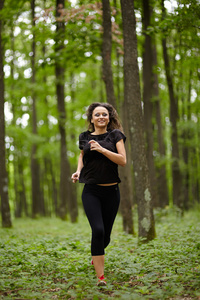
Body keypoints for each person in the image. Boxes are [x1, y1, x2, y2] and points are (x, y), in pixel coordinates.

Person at [71, 102, 126, 286]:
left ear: (109, 117)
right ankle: (100, 278)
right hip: (91, 191)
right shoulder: (84, 137)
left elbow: (123, 160)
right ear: (91, 118)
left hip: (112, 191)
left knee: (106, 236)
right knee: (98, 230)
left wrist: (102, 149)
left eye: (104, 114)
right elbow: (82, 156)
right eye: (97, 114)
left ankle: (96, 255)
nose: (101, 117)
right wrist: (78, 171)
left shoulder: (115, 135)